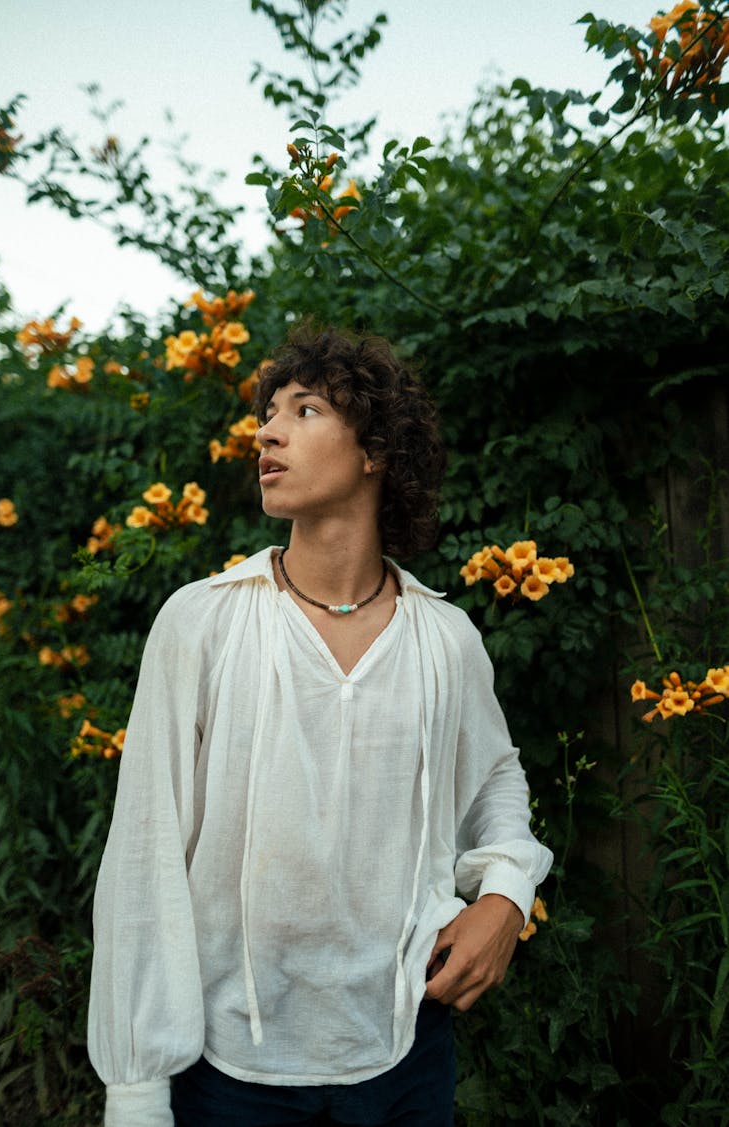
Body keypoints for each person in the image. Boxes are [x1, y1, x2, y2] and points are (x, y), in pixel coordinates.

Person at [88, 325, 553, 1127]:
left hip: (407, 1047)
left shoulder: (444, 638)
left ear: (374, 450)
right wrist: (136, 1090)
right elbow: (145, 850)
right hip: (228, 1067)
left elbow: (494, 777)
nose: (267, 431)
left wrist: (505, 895)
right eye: (269, 413)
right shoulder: (202, 623)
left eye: (304, 410)